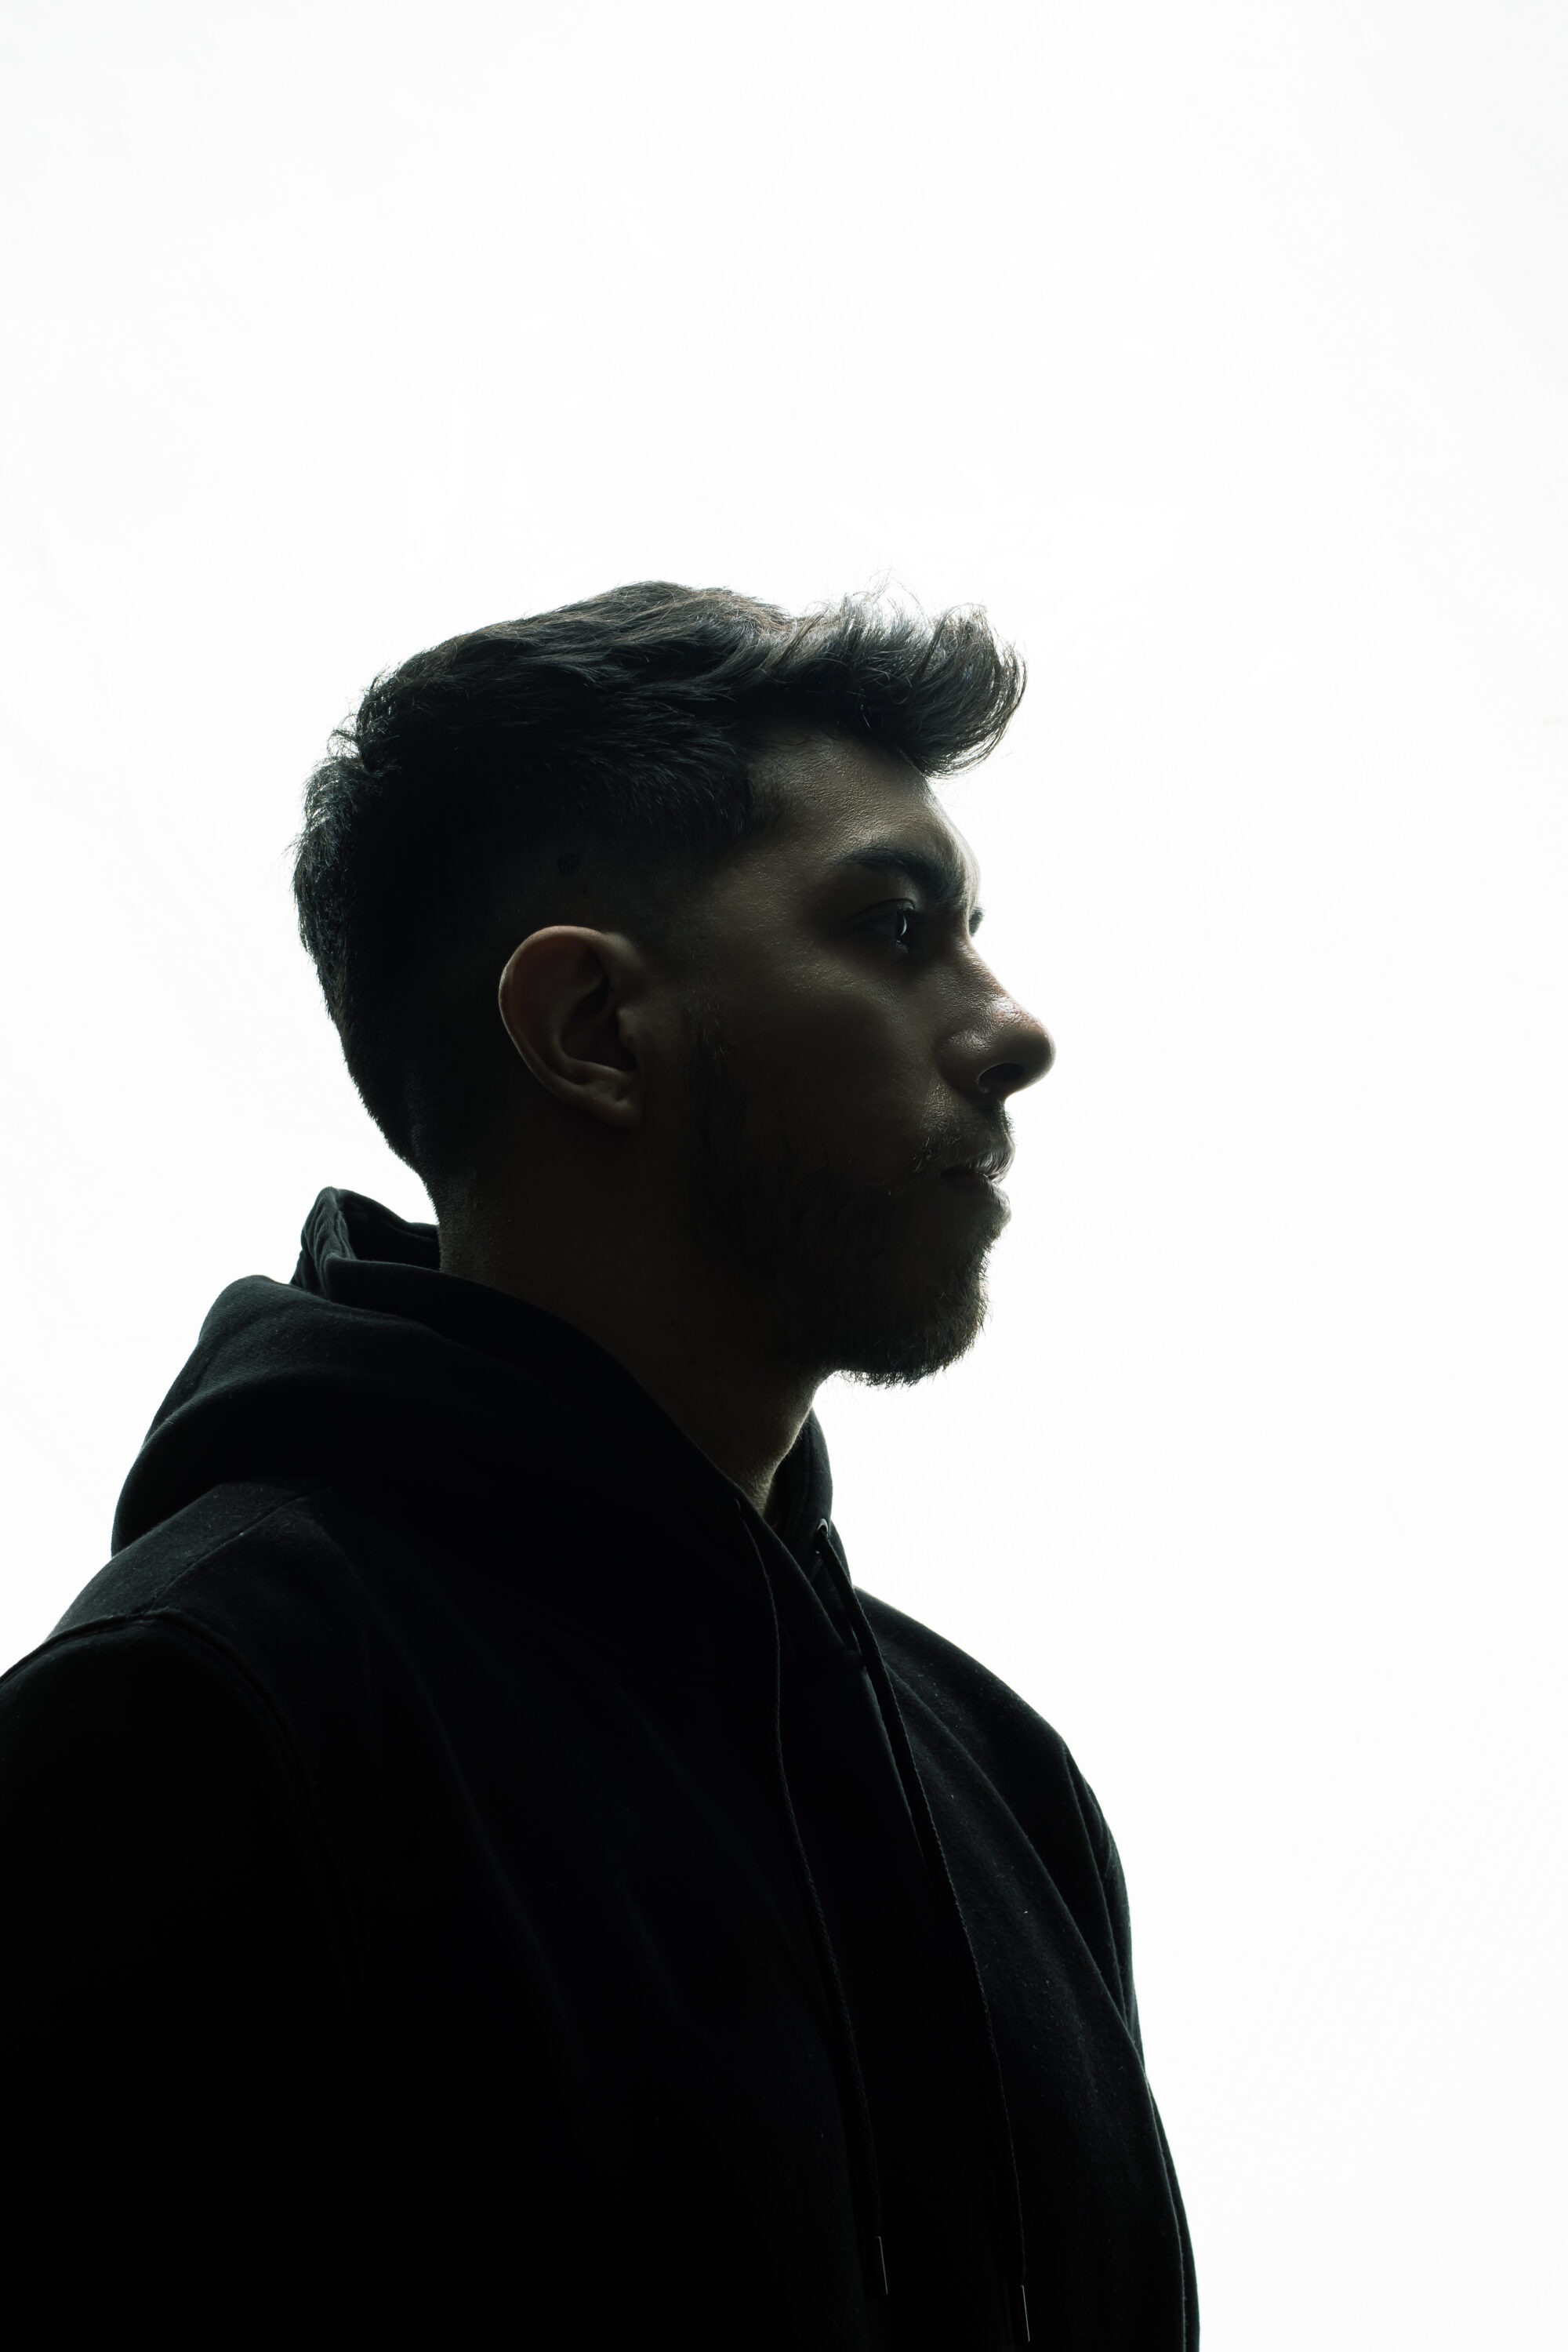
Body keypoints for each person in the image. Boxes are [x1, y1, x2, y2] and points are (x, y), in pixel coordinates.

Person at [0, 583, 1197, 2347]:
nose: (1012, 1031)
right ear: (592, 1029)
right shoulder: (200, 1717)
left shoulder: (1002, 1788)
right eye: (894, 927)